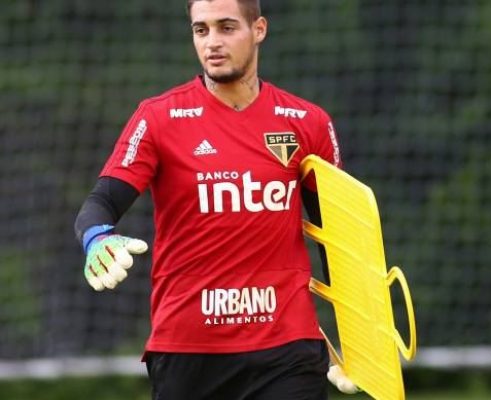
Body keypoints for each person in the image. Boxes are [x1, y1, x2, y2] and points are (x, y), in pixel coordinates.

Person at [74, 0, 357, 398]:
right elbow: (100, 204)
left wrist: (358, 341)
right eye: (201, 30)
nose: (213, 43)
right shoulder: (158, 118)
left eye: (227, 28)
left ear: (259, 29)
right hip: (188, 349)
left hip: (287, 349)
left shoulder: (307, 122)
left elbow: (338, 241)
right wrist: (97, 240)